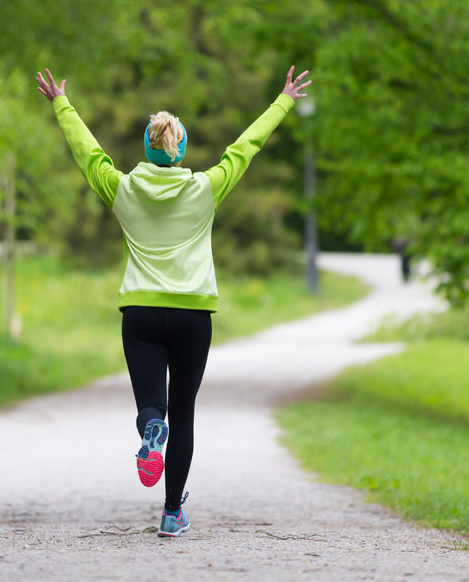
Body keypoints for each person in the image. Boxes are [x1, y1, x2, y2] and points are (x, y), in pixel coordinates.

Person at [35, 65, 311, 537]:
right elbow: (245, 148)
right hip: (192, 316)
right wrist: (283, 100)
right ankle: (171, 514)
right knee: (184, 412)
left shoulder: (122, 189)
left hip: (140, 314)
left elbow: (89, 153)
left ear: (146, 147)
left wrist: (62, 103)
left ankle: (149, 430)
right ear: (179, 149)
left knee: (153, 407)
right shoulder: (205, 189)